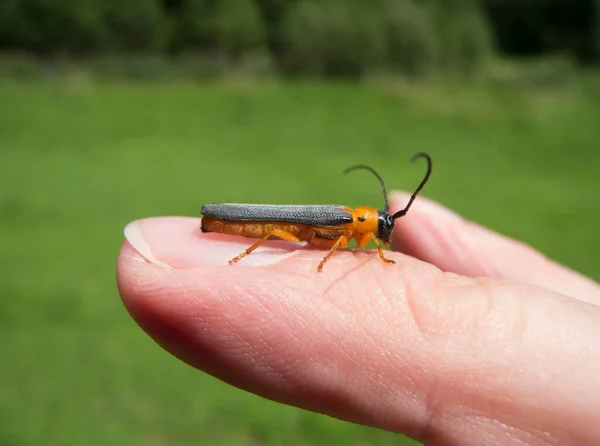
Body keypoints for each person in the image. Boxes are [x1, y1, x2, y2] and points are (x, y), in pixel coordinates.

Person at [116, 191, 600, 446]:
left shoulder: (358, 230)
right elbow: (331, 239)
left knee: (285, 230)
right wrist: (330, 260)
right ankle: (239, 255)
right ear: (370, 223)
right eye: (382, 230)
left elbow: (361, 243)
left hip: (279, 225)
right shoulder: (347, 225)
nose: (382, 235)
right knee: (278, 227)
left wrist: (375, 256)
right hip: (254, 220)